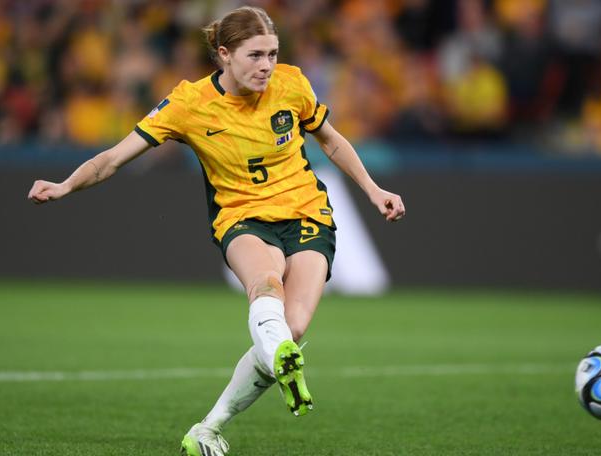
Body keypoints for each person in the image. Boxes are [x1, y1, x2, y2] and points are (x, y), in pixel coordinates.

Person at [27, 6, 405, 456]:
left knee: (292, 330)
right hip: (242, 218)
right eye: (255, 55)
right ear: (224, 54)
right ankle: (276, 358)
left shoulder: (291, 84)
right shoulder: (188, 104)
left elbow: (332, 141)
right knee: (265, 285)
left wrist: (372, 188)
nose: (266, 65)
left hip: (308, 214)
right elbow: (112, 157)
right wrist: (67, 184)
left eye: (272, 53)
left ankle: (208, 427)